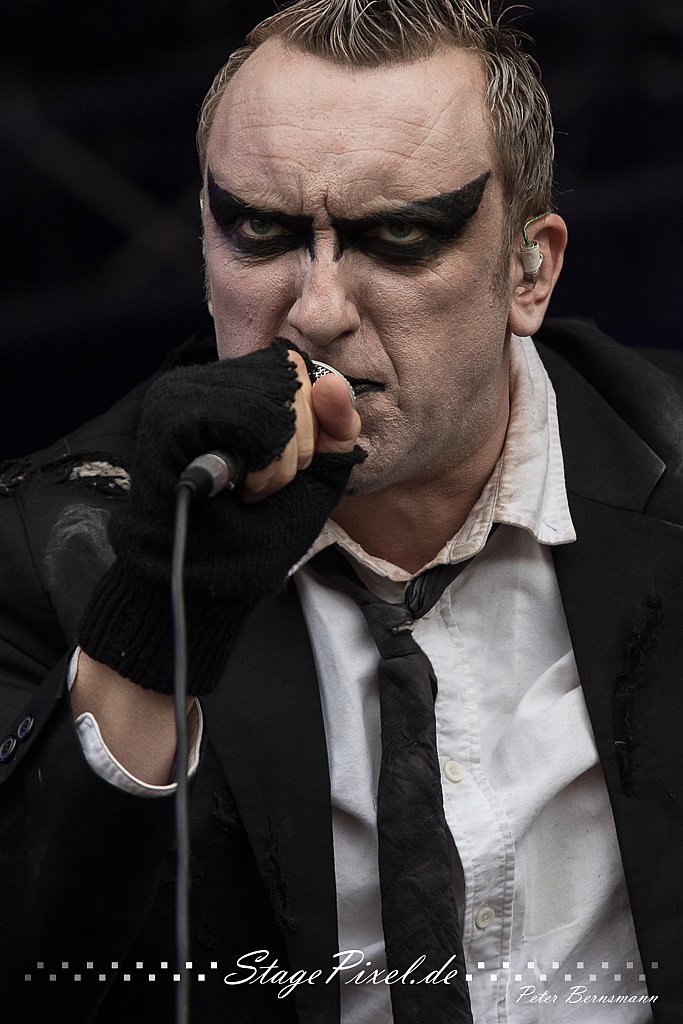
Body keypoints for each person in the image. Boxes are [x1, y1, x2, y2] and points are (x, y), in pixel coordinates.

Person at [1, 0, 681, 1021]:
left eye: (399, 234)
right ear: (205, 244)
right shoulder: (52, 542)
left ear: (528, 269)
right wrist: (154, 618)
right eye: (259, 231)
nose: (316, 310)